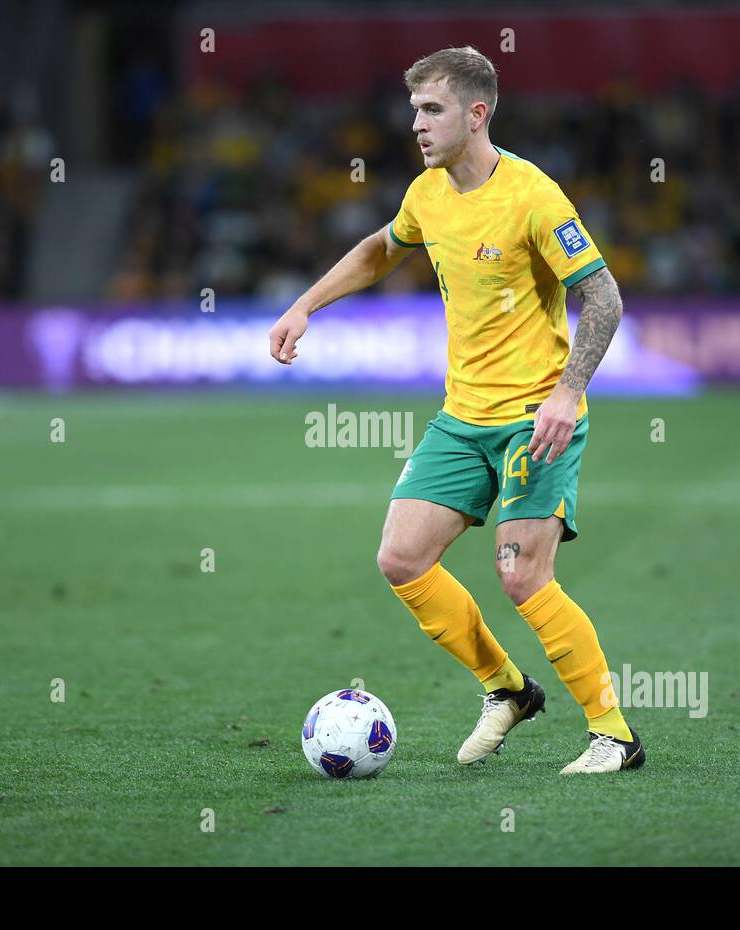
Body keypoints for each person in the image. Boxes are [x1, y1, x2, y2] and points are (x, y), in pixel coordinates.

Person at [268, 47, 643, 774]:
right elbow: (383, 249)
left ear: (478, 114)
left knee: (522, 578)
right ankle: (507, 689)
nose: (417, 124)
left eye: (432, 109)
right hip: (461, 416)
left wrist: (567, 392)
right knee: (401, 558)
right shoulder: (428, 193)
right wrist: (304, 304)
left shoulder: (533, 196)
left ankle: (614, 735)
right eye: (413, 110)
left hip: (536, 415)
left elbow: (604, 296)